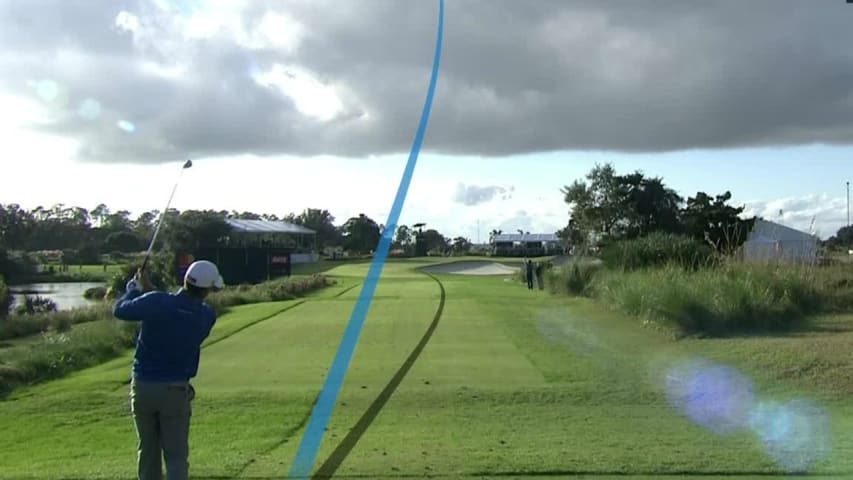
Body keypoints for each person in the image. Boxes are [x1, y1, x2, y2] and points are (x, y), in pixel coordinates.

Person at [114, 260, 223, 480]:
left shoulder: (157, 302)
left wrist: (132, 292)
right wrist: (147, 287)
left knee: (147, 452)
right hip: (175, 390)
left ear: (185, 280)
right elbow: (173, 307)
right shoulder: (206, 316)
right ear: (207, 290)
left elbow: (121, 310)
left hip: (143, 387)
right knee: (175, 456)